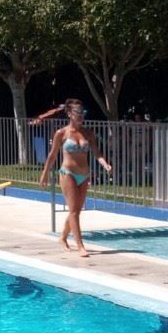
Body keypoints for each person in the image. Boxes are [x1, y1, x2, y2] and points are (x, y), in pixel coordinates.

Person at [40, 99, 113, 257]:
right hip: (68, 173)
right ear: (69, 114)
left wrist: (105, 164)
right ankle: (80, 245)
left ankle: (63, 237)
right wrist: (45, 173)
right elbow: (52, 155)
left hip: (84, 175)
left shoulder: (88, 133)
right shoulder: (62, 133)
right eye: (78, 113)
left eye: (83, 113)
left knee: (76, 211)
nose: (81, 116)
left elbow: (96, 152)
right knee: (73, 211)